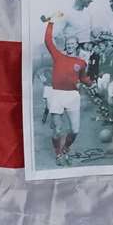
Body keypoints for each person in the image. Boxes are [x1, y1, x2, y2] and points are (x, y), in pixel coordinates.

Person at [40, 10, 92, 166]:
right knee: (57, 129)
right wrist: (51, 22)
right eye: (68, 44)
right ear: (66, 45)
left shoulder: (81, 63)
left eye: (72, 44)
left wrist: (91, 83)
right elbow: (48, 41)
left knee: (75, 131)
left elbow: (83, 78)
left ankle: (66, 149)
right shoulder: (58, 56)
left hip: (72, 97)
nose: (70, 46)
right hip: (57, 95)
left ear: (76, 45)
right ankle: (58, 153)